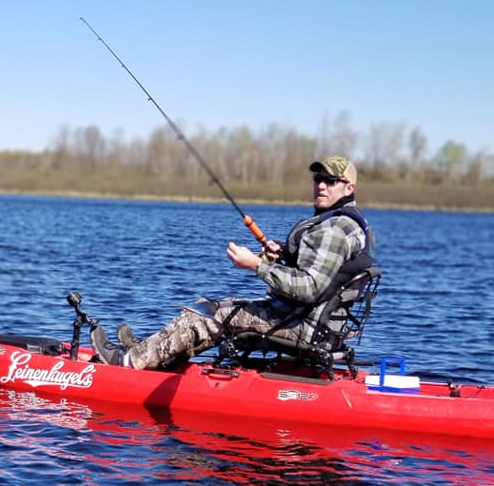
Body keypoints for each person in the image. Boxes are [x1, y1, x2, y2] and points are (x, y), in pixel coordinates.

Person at [91, 155, 375, 370]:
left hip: (298, 324)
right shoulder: (351, 225)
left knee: (209, 313)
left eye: (330, 181)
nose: (321, 186)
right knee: (216, 307)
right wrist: (285, 257)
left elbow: (310, 287)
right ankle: (153, 352)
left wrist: (257, 265)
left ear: (349, 187)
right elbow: (322, 272)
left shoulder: (332, 230)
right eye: (318, 179)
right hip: (310, 322)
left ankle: (126, 363)